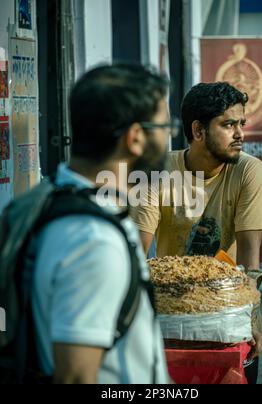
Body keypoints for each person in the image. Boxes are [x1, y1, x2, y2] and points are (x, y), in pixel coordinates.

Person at [32, 64, 174, 384]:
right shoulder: (94, 241)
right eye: (166, 127)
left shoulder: (53, 197)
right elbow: (77, 376)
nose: (169, 138)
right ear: (135, 137)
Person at [131, 82, 262, 384]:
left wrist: (252, 319)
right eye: (228, 125)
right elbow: (135, 254)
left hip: (229, 312)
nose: (240, 134)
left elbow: (251, 263)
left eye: (242, 123)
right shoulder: (157, 171)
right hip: (171, 312)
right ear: (198, 131)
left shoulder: (249, 171)